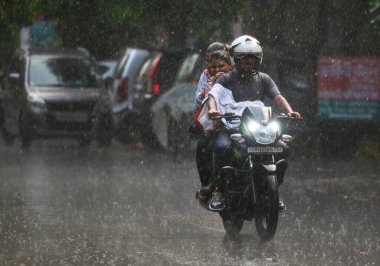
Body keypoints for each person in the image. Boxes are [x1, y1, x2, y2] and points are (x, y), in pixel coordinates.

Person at [206, 35, 302, 211]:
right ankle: (219, 191)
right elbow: (213, 96)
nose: (249, 61)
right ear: (236, 59)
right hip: (233, 126)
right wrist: (213, 109)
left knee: (284, 148)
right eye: (244, 57)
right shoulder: (226, 79)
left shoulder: (264, 78)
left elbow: (278, 98)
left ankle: (274, 192)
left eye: (252, 58)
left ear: (259, 59)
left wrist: (290, 112)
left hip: (260, 128)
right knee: (221, 147)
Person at [194, 50, 233, 201]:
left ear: (230, 66)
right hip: (217, 125)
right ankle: (209, 184)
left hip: (238, 124)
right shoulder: (208, 79)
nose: (217, 70)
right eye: (213, 66)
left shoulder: (239, 77)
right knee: (206, 146)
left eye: (221, 66)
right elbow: (201, 101)